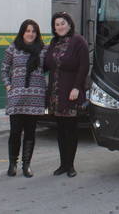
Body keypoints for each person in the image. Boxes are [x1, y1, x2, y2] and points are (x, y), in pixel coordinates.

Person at [44, 12, 89, 177]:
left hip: (71, 92)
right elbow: (47, 64)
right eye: (56, 25)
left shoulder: (78, 41)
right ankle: (62, 164)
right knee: (60, 130)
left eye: (63, 23)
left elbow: (84, 66)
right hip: (56, 94)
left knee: (71, 129)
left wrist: (77, 87)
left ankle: (70, 165)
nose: (60, 27)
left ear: (69, 24)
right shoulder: (54, 42)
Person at [0, 19, 47, 177]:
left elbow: (52, 67)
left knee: (30, 133)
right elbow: (4, 69)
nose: (31, 34)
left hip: (35, 99)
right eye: (27, 31)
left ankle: (26, 165)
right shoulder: (13, 48)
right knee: (15, 132)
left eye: (34, 31)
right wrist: (9, 86)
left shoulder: (42, 50)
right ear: (22, 32)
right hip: (17, 98)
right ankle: (12, 164)